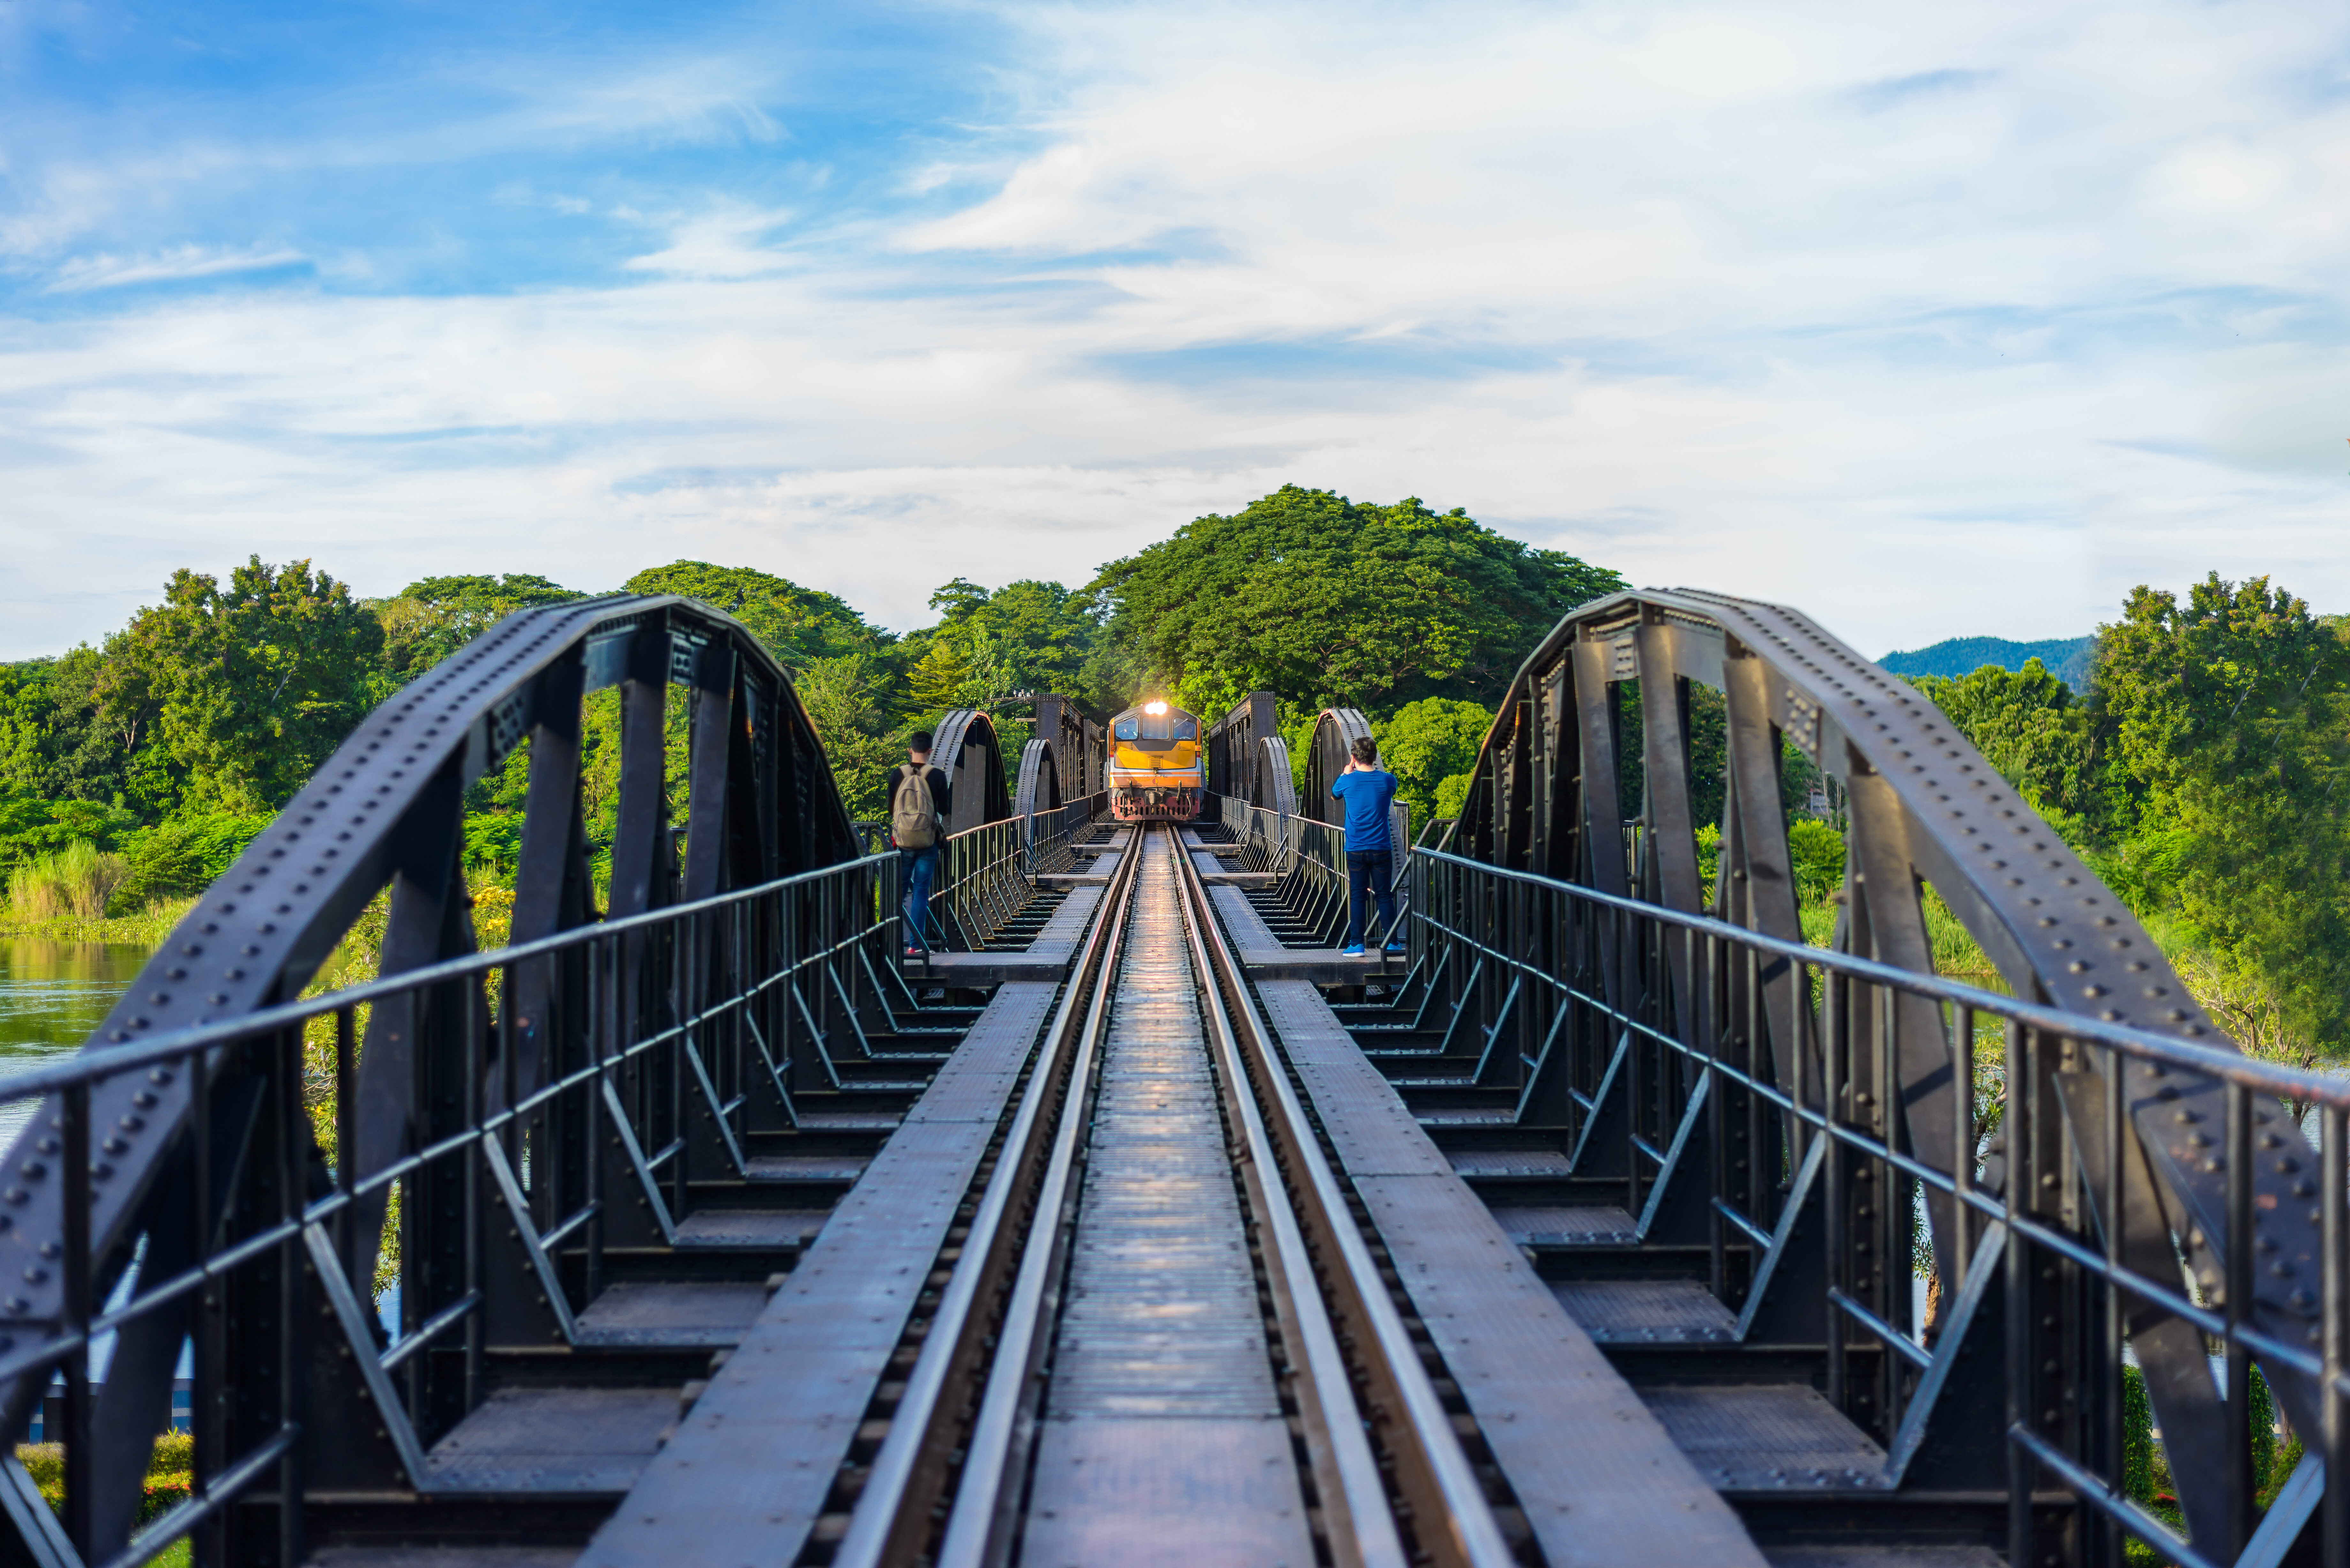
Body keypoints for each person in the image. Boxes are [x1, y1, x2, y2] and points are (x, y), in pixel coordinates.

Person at [1328, 735, 1405, 957]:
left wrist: (1346, 773)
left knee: (1358, 895)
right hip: (1381, 846)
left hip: (1356, 848)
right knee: (1384, 894)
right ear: (1375, 757)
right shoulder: (1388, 780)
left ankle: (1357, 945)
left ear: (1354, 758)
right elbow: (1391, 789)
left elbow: (1334, 796)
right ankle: (1392, 943)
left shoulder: (1347, 781)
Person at [891, 732, 952, 958]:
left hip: (903, 843)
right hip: (928, 842)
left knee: (896, 892)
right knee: (920, 892)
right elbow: (945, 809)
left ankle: (889, 944)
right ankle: (915, 945)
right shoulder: (937, 776)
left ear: (910, 750)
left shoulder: (898, 775)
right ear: (930, 751)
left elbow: (891, 808)